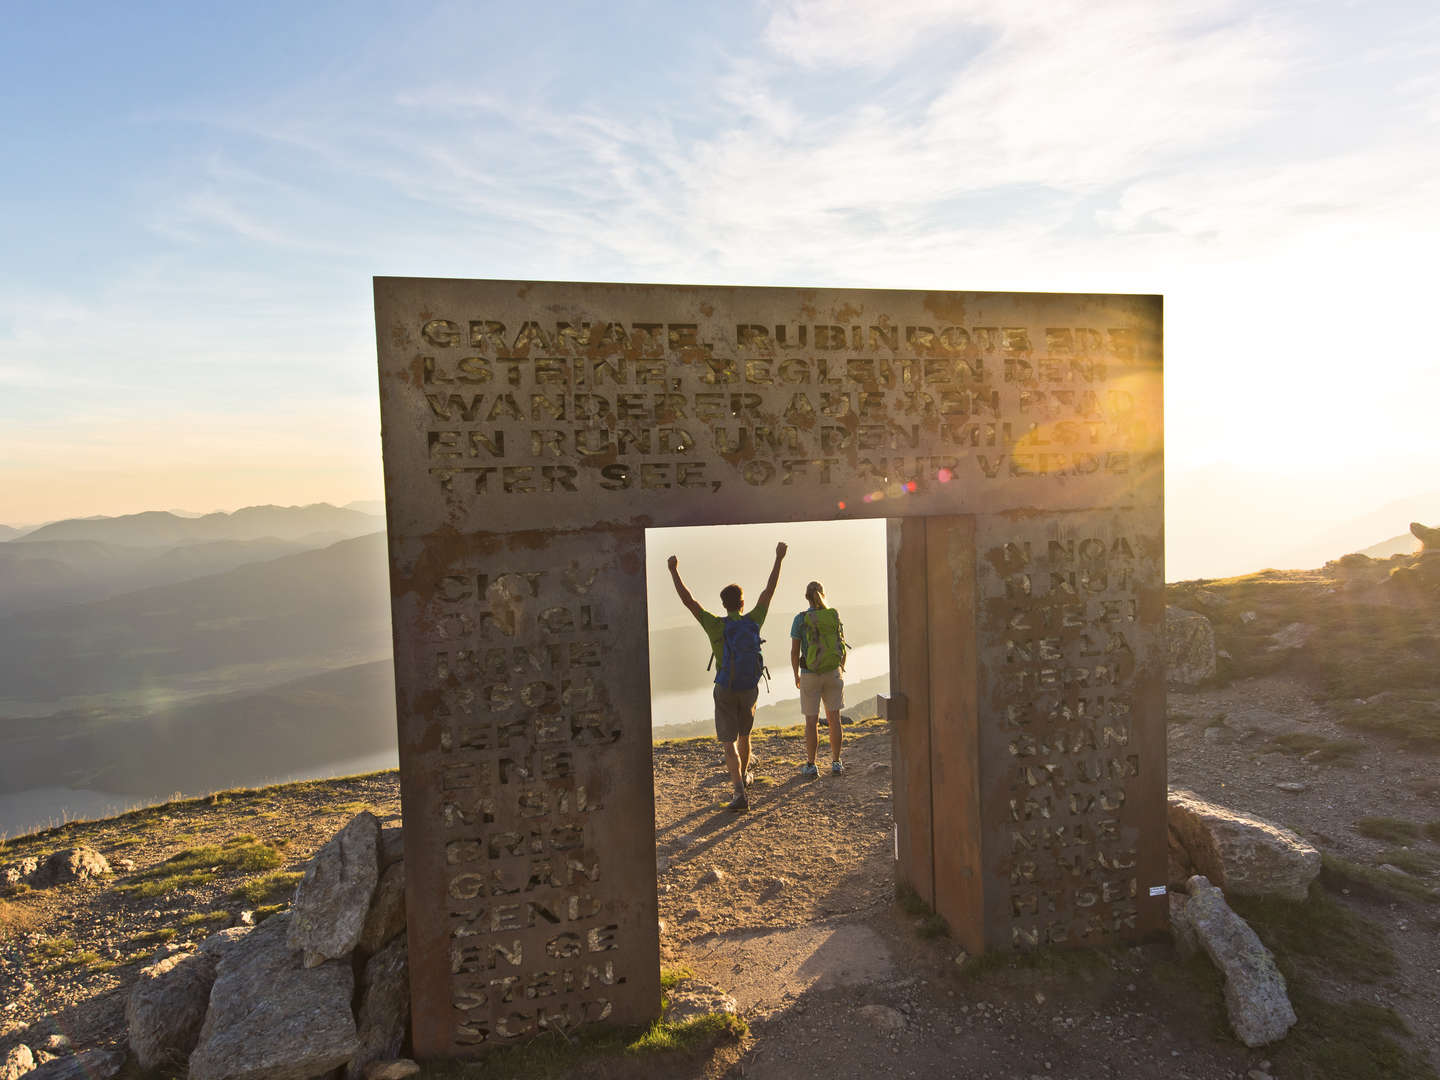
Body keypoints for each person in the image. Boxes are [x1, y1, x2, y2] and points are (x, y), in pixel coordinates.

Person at [667, 542, 787, 811]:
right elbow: (769, 591)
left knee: (728, 742)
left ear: (723, 604)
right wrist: (779, 558)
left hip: (724, 688)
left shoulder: (714, 625)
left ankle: (738, 792)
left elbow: (689, 601)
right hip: (749, 687)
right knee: (745, 737)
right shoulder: (754, 620)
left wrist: (673, 571)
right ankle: (744, 776)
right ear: (742, 604)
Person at [790, 580, 847, 777]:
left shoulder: (800, 619)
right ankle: (836, 762)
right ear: (823, 593)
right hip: (833, 671)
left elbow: (795, 650)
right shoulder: (833, 615)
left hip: (810, 674)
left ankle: (811, 765)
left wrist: (796, 674)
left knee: (811, 721)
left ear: (807, 597)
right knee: (834, 719)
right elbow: (841, 643)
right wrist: (841, 667)